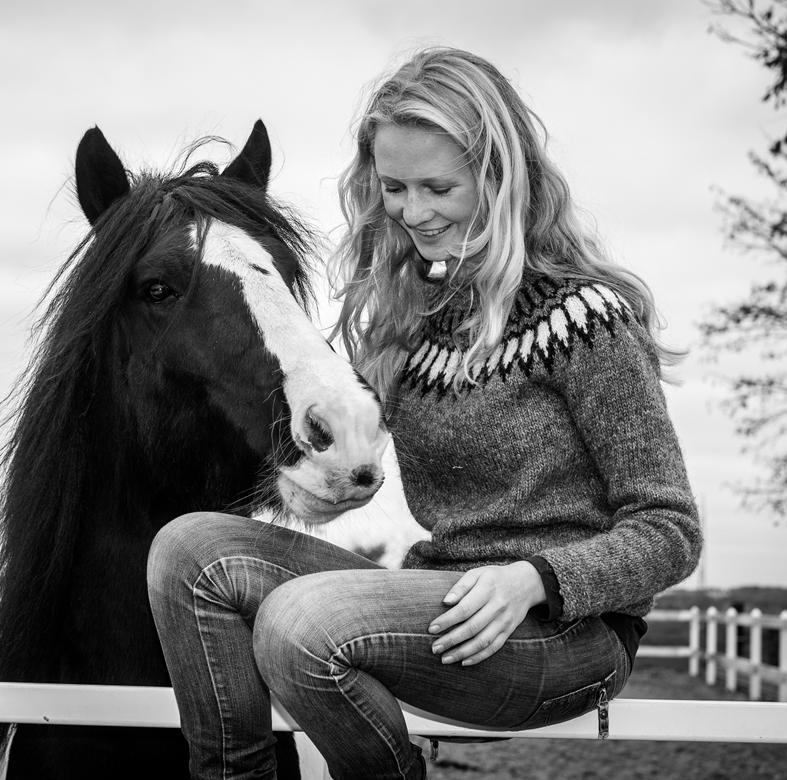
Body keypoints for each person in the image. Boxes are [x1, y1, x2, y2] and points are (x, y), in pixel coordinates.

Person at [146, 46, 702, 780]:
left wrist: (531, 578)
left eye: (439, 186)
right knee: (187, 551)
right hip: (437, 603)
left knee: (298, 625)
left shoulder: (586, 320)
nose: (413, 212)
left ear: (501, 178)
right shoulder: (414, 321)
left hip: (565, 634)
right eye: (396, 188)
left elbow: (671, 529)